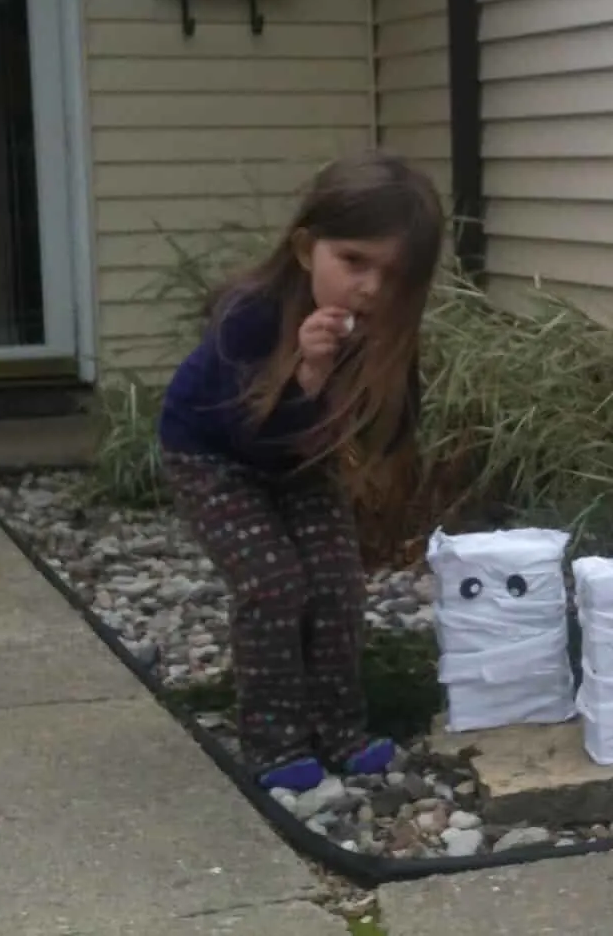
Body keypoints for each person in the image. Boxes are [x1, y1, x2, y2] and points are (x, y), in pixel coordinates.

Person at [159, 149, 443, 794]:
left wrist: (376, 398)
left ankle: (342, 730)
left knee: (337, 583)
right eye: (353, 262)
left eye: (392, 275)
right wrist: (309, 377)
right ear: (305, 249)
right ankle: (275, 741)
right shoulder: (250, 315)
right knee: (273, 584)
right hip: (216, 458)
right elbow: (247, 435)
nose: (369, 288)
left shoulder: (384, 327)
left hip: (302, 463)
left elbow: (394, 427)